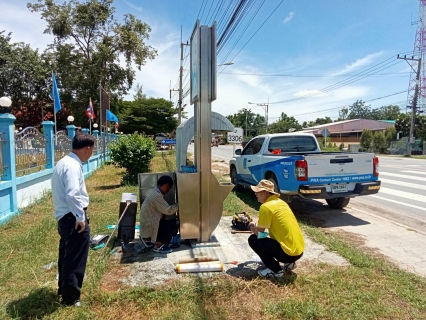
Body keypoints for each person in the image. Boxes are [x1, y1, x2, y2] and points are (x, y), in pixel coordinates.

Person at [51, 133, 95, 306]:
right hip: (72, 217)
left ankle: (64, 289)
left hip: (64, 217)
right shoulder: (72, 166)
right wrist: (80, 217)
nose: (92, 153)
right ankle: (71, 298)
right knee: (76, 258)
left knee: (67, 255)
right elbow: (72, 194)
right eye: (92, 150)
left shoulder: (63, 162)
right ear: (87, 148)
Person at [248, 180, 305, 278]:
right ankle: (289, 264)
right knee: (276, 240)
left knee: (253, 240)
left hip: (288, 254)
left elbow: (260, 235)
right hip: (299, 251)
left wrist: (253, 227)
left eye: (258, 191)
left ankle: (275, 270)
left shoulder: (266, 207)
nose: (255, 193)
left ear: (266, 192)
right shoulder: (281, 203)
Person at [140, 175, 179, 254]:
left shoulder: (154, 192)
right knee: (174, 223)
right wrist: (180, 204)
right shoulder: (156, 196)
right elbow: (168, 211)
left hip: (148, 225)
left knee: (167, 222)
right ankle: (158, 245)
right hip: (149, 228)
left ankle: (153, 240)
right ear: (166, 185)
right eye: (169, 188)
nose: (168, 190)